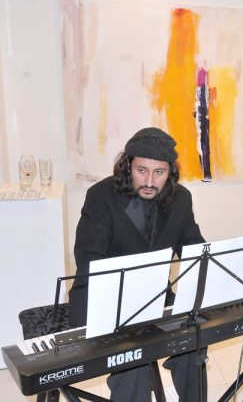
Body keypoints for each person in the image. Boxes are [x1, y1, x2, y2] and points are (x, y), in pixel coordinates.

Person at [68, 127, 205, 402]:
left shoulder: (180, 198)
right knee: (134, 362)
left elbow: (193, 247)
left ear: (170, 172)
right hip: (104, 299)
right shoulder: (101, 196)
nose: (150, 181)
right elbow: (88, 260)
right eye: (142, 171)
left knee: (194, 345)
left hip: (154, 297)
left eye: (159, 172)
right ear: (128, 165)